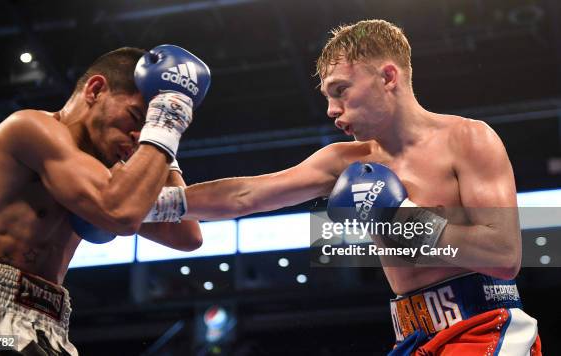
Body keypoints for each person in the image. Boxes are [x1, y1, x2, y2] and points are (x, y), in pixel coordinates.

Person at [152, 20, 542, 355]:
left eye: (341, 90)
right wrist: (154, 205)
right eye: (328, 96)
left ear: (388, 77)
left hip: (485, 328)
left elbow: (504, 255)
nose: (331, 110)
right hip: (413, 336)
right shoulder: (344, 161)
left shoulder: (468, 139)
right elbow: (248, 194)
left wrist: (401, 218)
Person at [0, 45, 209, 355]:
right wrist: (164, 125)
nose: (140, 137)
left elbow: (186, 235)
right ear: (96, 89)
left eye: (147, 128)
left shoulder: (107, 179)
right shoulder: (31, 128)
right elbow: (120, 212)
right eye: (135, 116)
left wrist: (165, 134)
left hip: (49, 329)